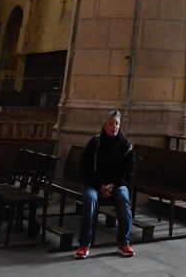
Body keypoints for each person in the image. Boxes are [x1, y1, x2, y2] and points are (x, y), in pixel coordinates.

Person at [75, 110, 136, 260]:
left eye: (117, 124)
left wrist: (113, 185)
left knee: (123, 196)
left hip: (115, 185)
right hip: (94, 184)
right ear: (104, 125)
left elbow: (128, 172)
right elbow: (84, 170)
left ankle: (124, 242)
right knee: (90, 198)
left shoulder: (125, 146)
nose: (114, 127)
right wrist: (100, 185)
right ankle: (84, 243)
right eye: (111, 124)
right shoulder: (95, 143)